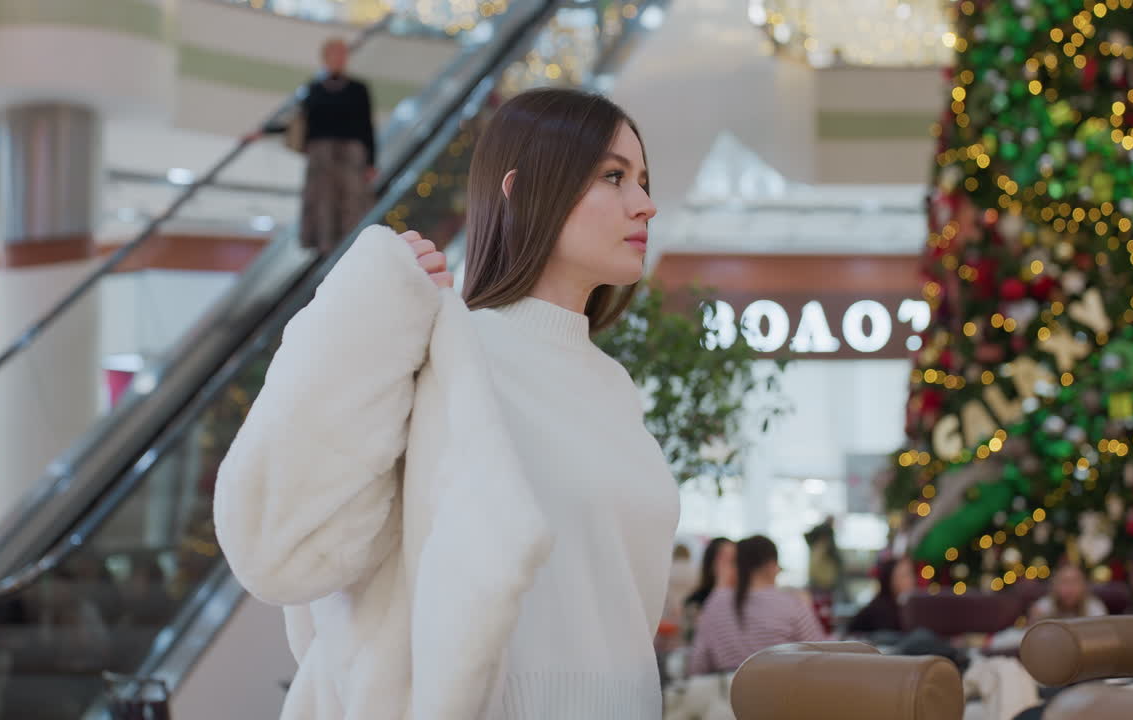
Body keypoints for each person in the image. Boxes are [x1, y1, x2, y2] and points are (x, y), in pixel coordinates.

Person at [214, 88, 676, 719]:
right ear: (519, 188)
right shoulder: (441, 349)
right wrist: (368, 303)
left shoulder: (613, 387)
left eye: (643, 180)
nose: (645, 205)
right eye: (613, 176)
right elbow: (275, 546)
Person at [274, 37, 377, 253]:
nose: (339, 59)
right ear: (325, 57)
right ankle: (324, 247)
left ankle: (353, 247)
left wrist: (371, 162)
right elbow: (297, 121)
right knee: (323, 203)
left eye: (342, 54)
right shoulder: (314, 89)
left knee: (352, 202)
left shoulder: (358, 89)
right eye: (334, 54)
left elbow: (367, 126)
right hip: (321, 158)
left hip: (351, 157)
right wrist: (263, 131)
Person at [687, 535, 827, 676]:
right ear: (772, 566)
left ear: (737, 566)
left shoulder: (714, 605)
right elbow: (821, 658)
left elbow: (697, 666)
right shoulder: (792, 604)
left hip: (730, 695)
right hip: (784, 693)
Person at [846, 555, 915, 635]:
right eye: (905, 575)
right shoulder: (880, 611)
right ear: (889, 579)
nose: (911, 580)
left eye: (911, 574)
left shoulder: (901, 605)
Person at [1026, 561, 1108, 623]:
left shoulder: (1095, 609)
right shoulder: (1043, 607)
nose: (1070, 589)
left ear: (1084, 586)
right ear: (1055, 586)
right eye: (1064, 582)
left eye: (1075, 582)